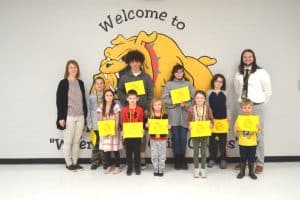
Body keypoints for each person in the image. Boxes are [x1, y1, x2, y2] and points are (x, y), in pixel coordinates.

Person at [234, 49, 272, 174]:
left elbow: (268, 91)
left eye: (250, 56)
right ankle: (243, 162)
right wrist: (243, 103)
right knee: (242, 134)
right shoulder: (239, 73)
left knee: (258, 135)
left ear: (254, 58)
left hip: (256, 107)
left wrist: (258, 104)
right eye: (245, 57)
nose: (247, 58)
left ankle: (259, 163)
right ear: (242, 59)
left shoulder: (261, 72)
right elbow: (237, 89)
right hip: (243, 107)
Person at [117, 50, 153, 169]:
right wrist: (127, 102)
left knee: (141, 136)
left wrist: (147, 108)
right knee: (128, 136)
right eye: (132, 62)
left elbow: (151, 94)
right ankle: (129, 159)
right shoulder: (124, 77)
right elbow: (120, 91)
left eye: (137, 62)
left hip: (142, 111)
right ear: (129, 63)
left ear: (141, 63)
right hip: (128, 112)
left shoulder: (146, 77)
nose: (135, 64)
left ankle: (141, 157)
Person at [56, 60, 87, 171]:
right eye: (71, 67)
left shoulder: (81, 83)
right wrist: (61, 117)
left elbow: (83, 100)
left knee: (76, 141)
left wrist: (85, 114)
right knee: (68, 140)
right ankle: (69, 163)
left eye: (75, 67)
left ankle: (75, 162)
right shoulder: (63, 83)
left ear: (77, 69)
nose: (73, 69)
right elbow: (59, 101)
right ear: (67, 70)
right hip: (69, 116)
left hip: (80, 116)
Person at [163, 64, 195, 170]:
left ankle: (182, 159)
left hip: (185, 115)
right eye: (177, 72)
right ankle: (177, 159)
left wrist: (185, 105)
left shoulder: (188, 84)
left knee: (183, 137)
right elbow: (165, 100)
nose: (179, 74)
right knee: (176, 137)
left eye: (181, 72)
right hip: (173, 115)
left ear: (183, 73)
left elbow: (194, 100)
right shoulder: (169, 84)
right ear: (173, 73)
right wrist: (175, 101)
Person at [187, 90, 214, 178]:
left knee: (203, 152)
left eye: (201, 98)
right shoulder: (191, 109)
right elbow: (188, 120)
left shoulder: (208, 108)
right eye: (198, 98)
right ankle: (196, 169)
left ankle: (203, 169)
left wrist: (211, 124)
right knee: (195, 152)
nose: (199, 100)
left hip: (205, 133)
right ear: (194, 99)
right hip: (195, 133)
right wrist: (189, 126)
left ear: (205, 99)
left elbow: (211, 119)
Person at [207, 74, 230, 169]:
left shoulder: (225, 93)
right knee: (212, 141)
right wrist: (208, 118)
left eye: (221, 81)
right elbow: (207, 107)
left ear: (223, 83)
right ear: (213, 82)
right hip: (213, 120)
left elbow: (228, 105)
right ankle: (212, 158)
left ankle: (223, 159)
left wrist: (228, 115)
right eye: (217, 81)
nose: (218, 83)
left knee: (223, 142)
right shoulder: (208, 93)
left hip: (223, 121)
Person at [98, 89, 123, 174]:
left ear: (113, 97)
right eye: (107, 95)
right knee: (106, 150)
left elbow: (117, 119)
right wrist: (104, 130)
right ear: (104, 97)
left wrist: (114, 130)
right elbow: (100, 119)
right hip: (105, 131)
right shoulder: (101, 106)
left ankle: (118, 167)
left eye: (111, 95)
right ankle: (108, 166)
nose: (109, 97)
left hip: (114, 131)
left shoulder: (116, 106)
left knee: (115, 150)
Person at [234, 99, 260, 180]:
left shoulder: (255, 119)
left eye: (249, 108)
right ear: (242, 108)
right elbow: (235, 130)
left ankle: (251, 172)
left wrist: (259, 128)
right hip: (243, 142)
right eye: (245, 108)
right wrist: (237, 129)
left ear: (252, 108)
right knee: (243, 157)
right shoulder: (239, 118)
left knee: (251, 157)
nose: (247, 109)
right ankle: (242, 172)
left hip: (252, 142)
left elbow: (258, 131)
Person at [121, 90, 144, 176]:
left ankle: (137, 167)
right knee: (128, 152)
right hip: (128, 133)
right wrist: (124, 130)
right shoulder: (124, 110)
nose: (132, 100)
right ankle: (129, 167)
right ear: (127, 99)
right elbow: (124, 121)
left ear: (137, 99)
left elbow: (141, 120)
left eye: (134, 98)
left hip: (137, 133)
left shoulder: (140, 109)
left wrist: (141, 129)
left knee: (137, 151)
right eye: (130, 98)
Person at [146, 97, 169, 177]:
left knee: (162, 155)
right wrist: (147, 125)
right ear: (152, 106)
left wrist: (168, 126)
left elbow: (167, 126)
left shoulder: (165, 116)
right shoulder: (150, 116)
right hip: (153, 139)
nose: (157, 106)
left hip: (162, 139)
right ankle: (156, 169)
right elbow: (147, 126)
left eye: (159, 104)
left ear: (162, 105)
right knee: (154, 155)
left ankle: (161, 169)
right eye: (155, 105)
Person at [86, 77, 105, 170]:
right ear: (94, 85)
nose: (99, 85)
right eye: (97, 83)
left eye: (101, 83)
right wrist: (89, 125)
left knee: (105, 144)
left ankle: (105, 161)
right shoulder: (91, 97)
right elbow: (88, 111)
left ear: (104, 85)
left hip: (105, 125)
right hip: (94, 124)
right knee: (95, 144)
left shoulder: (107, 96)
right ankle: (95, 162)